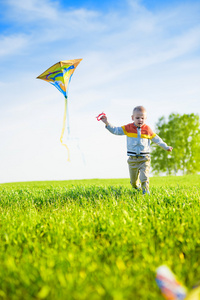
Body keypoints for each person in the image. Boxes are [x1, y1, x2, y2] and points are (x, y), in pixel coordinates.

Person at [100, 106, 173, 195]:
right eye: (137, 118)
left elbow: (157, 139)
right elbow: (116, 130)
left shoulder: (147, 129)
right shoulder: (128, 128)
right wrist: (106, 122)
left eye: (142, 118)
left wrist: (166, 147)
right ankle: (137, 187)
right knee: (134, 183)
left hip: (144, 159)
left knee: (144, 177)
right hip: (132, 160)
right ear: (132, 118)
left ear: (145, 118)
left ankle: (145, 192)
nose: (140, 120)